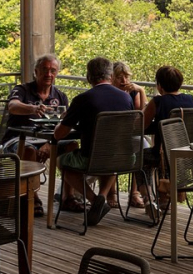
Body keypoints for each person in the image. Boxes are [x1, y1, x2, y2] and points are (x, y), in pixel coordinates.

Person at [52, 56, 136, 222]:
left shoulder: (83, 99)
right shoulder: (126, 98)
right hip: (125, 158)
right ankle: (102, 197)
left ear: (88, 77)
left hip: (91, 159)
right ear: (110, 76)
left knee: (63, 162)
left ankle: (94, 199)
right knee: (112, 155)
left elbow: (59, 135)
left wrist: (63, 120)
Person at [141, 65, 193, 210]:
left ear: (159, 86)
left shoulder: (158, 102)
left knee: (139, 157)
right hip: (189, 155)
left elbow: (141, 125)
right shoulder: (190, 100)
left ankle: (149, 200)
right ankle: (164, 199)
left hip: (164, 156)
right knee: (165, 153)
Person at [4, 53, 67, 165]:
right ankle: (30, 182)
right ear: (36, 71)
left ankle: (69, 182)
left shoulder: (60, 96)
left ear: (56, 73)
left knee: (72, 146)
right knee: (29, 150)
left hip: (48, 139)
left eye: (53, 71)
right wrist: (33, 109)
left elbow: (65, 123)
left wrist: (49, 143)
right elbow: (12, 106)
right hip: (19, 138)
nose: (48, 74)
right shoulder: (22, 90)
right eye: (44, 70)